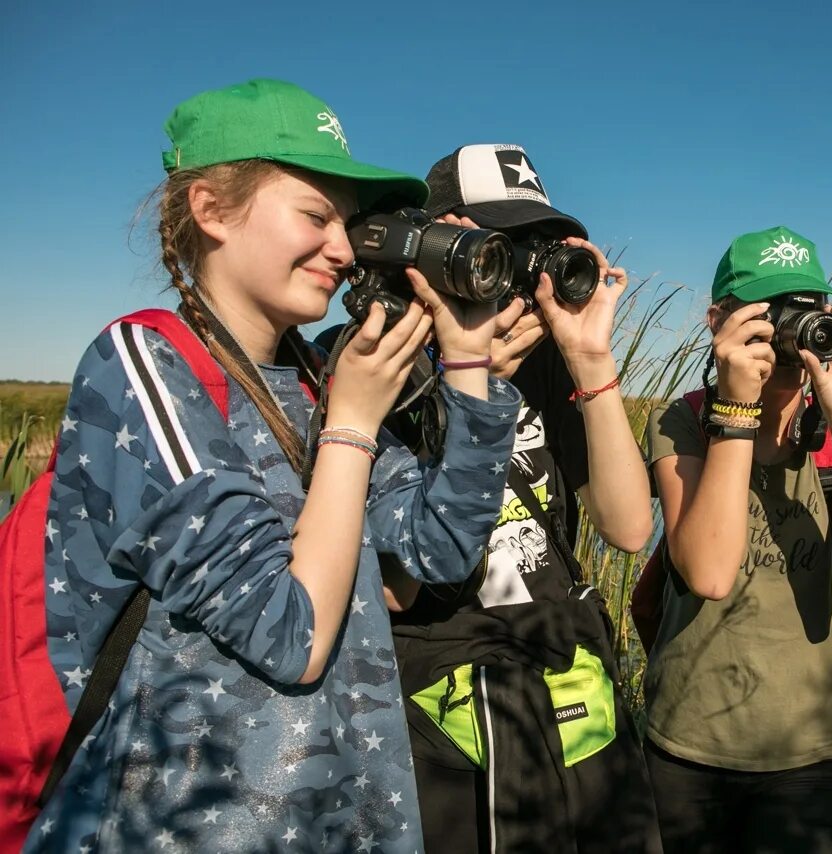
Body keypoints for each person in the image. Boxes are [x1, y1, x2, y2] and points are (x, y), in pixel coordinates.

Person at [30, 79, 521, 852]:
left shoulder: (315, 381)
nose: (342, 247)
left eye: (350, 225)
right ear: (211, 210)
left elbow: (442, 550)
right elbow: (288, 634)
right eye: (316, 215)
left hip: (342, 817)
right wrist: (354, 426)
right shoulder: (146, 365)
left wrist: (465, 361)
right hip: (181, 826)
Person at [376, 145, 661, 852]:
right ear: (442, 242)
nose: (518, 276)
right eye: (500, 247)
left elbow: (629, 527)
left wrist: (591, 360)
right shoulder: (379, 360)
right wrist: (461, 388)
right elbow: (397, 590)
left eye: (538, 248)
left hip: (563, 685)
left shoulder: (548, 368)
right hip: (445, 717)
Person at [644, 226, 832, 853]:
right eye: (769, 311)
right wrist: (736, 408)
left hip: (810, 748)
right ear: (718, 321)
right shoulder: (681, 422)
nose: (790, 331)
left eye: (806, 311)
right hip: (688, 740)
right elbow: (707, 572)